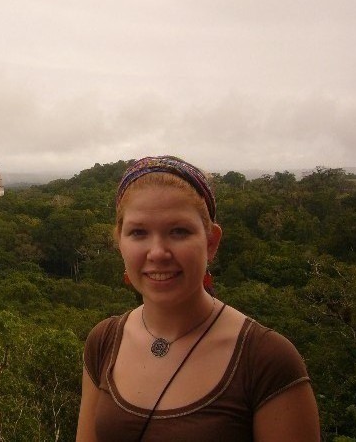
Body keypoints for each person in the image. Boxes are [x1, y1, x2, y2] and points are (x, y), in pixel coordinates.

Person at [76, 156, 320, 442]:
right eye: (138, 232)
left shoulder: (266, 360)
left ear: (211, 242)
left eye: (179, 231)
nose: (157, 252)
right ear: (120, 242)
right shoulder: (104, 342)